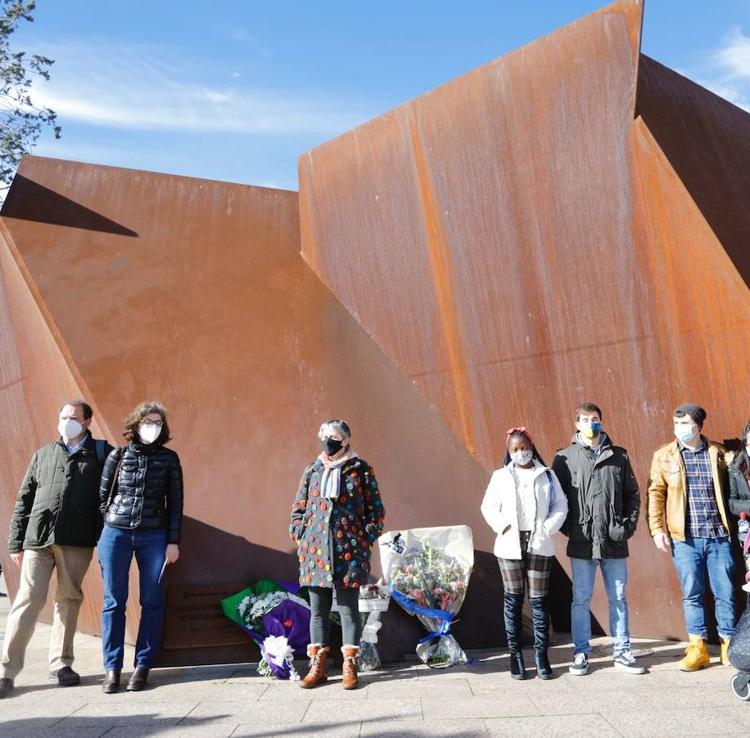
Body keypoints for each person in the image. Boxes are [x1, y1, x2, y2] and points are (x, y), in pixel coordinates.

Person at [0, 400, 111, 698]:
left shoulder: (102, 453)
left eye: (73, 417)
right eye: (63, 416)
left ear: (87, 421)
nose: (66, 422)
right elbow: (24, 498)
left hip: (77, 540)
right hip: (38, 539)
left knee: (69, 599)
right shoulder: (43, 454)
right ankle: (6, 671)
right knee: (28, 600)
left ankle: (61, 664)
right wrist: (15, 542)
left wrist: (101, 535)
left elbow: (111, 498)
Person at [289, 420, 385, 690]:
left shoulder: (360, 470)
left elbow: (375, 512)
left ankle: (350, 666)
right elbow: (299, 506)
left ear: (345, 439)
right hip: (315, 549)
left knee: (347, 607)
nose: (328, 441)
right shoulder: (313, 469)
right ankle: (317, 666)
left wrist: (364, 538)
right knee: (317, 610)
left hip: (349, 550)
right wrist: (299, 532)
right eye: (324, 436)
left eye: (334, 436)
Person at [552, 402, 644, 675]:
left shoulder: (619, 456)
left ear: (601, 422)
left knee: (618, 596)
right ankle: (581, 652)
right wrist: (570, 528)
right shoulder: (565, 458)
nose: (591, 423)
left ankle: (622, 651)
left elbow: (633, 495)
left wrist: (626, 527)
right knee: (580, 598)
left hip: (614, 540)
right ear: (577, 423)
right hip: (581, 541)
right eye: (585, 419)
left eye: (595, 419)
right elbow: (556, 499)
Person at [98, 401, 183, 693]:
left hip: (154, 536)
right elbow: (102, 495)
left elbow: (175, 505)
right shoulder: (118, 456)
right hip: (116, 534)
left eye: (158, 422)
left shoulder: (170, 459)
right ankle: (112, 668)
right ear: (135, 424)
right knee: (113, 601)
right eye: (147, 421)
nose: (152, 427)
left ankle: (143, 665)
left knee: (152, 599)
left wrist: (173, 542)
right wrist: (110, 526)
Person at [648, 403, 735, 670]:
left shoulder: (718, 453)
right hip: (684, 538)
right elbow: (656, 493)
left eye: (685, 423)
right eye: (677, 424)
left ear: (698, 425)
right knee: (692, 593)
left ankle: (729, 645)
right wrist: (657, 529)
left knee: (726, 592)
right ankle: (697, 646)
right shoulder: (664, 456)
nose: (680, 429)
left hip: (719, 536)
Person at [481, 426, 568, 680]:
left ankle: (541, 655)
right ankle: (516, 656)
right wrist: (504, 526)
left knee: (539, 602)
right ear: (509, 452)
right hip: (510, 545)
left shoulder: (547, 474)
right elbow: (488, 506)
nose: (521, 453)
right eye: (515, 450)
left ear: (531, 447)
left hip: (539, 542)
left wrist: (548, 527)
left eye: (524, 448)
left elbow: (560, 504)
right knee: (513, 601)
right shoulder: (500, 476)